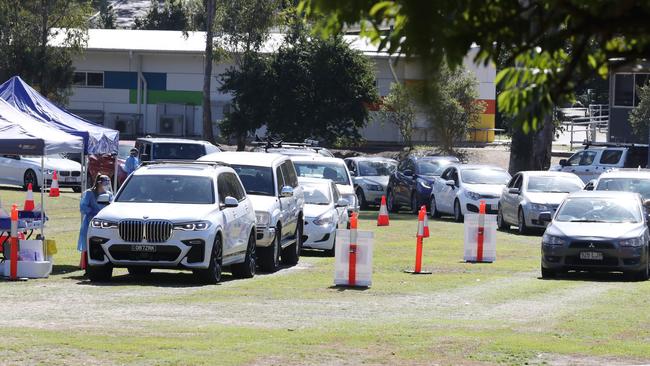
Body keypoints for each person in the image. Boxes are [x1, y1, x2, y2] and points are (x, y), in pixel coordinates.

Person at [78, 174, 113, 269]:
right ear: (99, 183)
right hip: (90, 222)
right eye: (105, 183)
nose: (106, 185)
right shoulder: (89, 193)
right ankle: (86, 266)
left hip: (105, 223)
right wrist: (93, 213)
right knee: (88, 243)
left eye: (108, 183)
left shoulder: (109, 195)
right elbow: (83, 207)